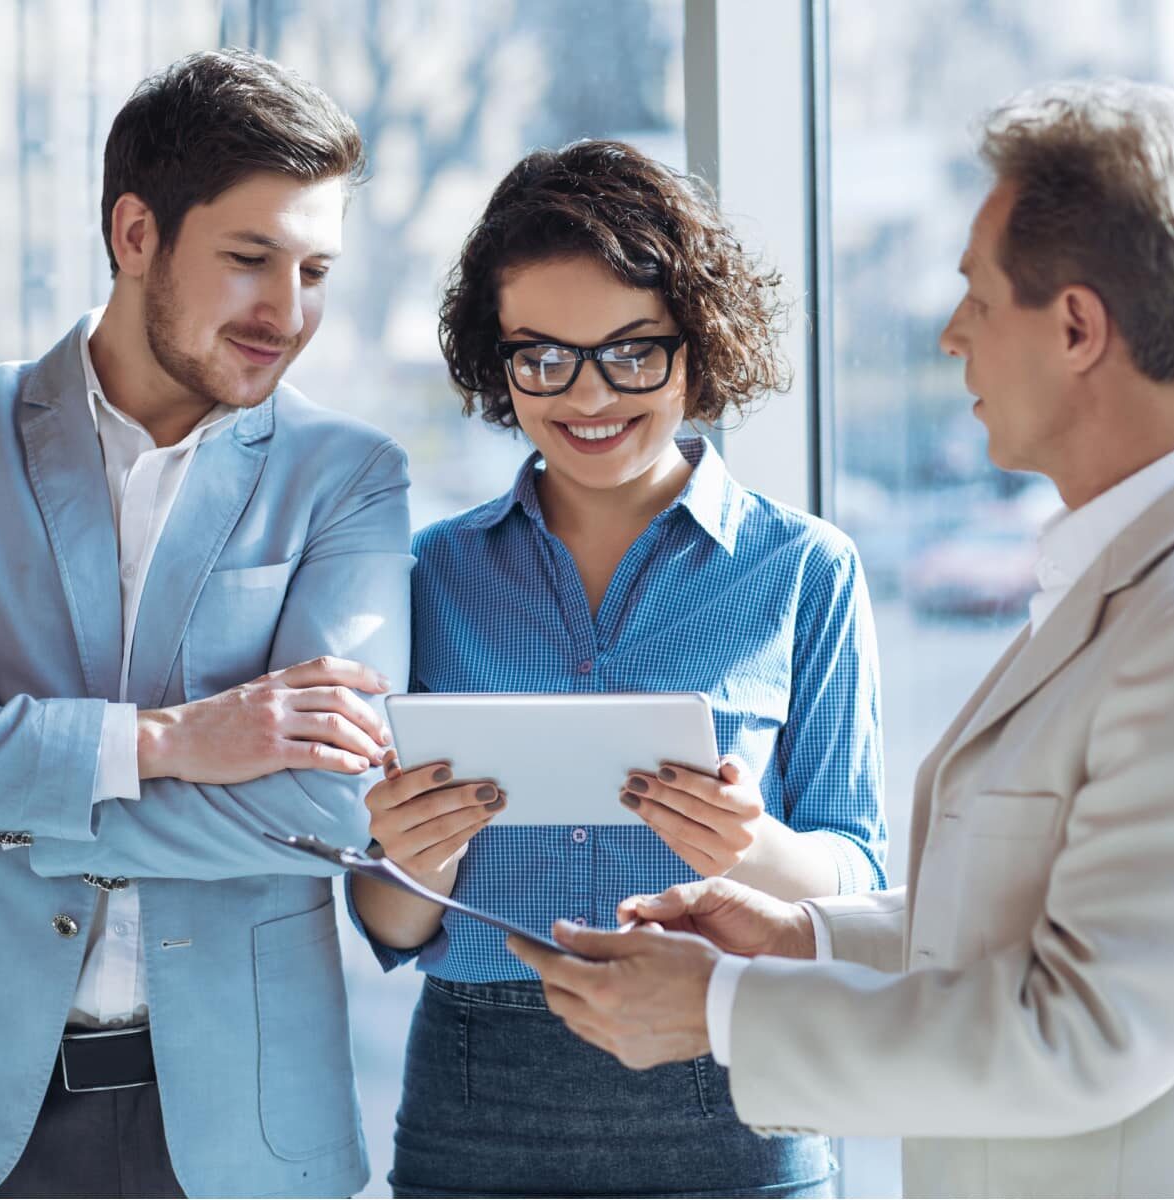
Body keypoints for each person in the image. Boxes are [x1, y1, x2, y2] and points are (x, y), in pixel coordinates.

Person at [511, 79, 1174, 1200]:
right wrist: (803, 941)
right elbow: (1031, 920)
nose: (949, 333)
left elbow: (1093, 1029)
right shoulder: (1109, 576)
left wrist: (721, 1006)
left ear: (1075, 326)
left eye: (974, 296)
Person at [348, 139, 886, 1198]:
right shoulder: (429, 574)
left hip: (733, 1078)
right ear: (496, 362)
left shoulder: (804, 571)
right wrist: (411, 865)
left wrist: (757, 847)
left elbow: (862, 879)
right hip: (478, 1099)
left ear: (699, 345)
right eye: (542, 356)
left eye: (632, 352)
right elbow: (389, 922)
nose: (588, 395)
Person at [0, 50, 412, 1199]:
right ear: (135, 234)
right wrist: (169, 745)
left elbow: (328, 809)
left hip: (244, 1129)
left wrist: (17, 809)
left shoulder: (349, 478)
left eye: (316, 268)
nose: (289, 312)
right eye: (249, 259)